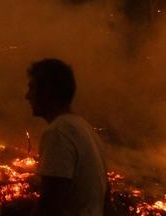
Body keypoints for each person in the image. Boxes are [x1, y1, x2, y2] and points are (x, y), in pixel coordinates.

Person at [25, 58, 112, 216]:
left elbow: (50, 205)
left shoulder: (58, 132)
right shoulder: (85, 128)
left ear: (47, 91)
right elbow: (107, 197)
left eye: (32, 88)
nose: (27, 96)